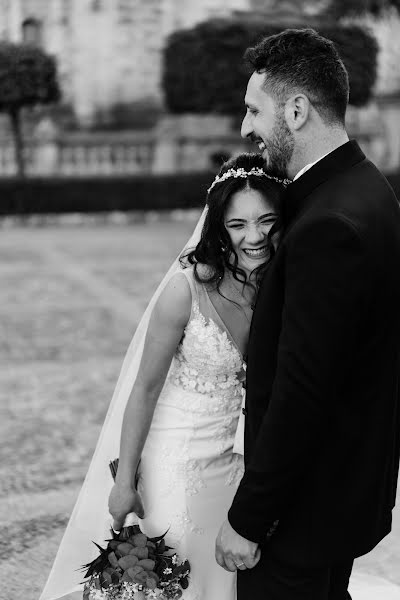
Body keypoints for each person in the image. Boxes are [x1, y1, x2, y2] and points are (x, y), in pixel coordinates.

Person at [38, 152, 288, 600]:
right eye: (237, 225)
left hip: (234, 473)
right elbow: (144, 388)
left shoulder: (279, 287)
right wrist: (123, 480)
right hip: (172, 470)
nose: (255, 237)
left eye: (266, 220)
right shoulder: (185, 291)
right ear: (219, 228)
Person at [215, 28, 400, 600]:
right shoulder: (367, 188)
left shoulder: (327, 225)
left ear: (295, 110)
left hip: (300, 516)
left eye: (254, 109)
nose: (246, 127)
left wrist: (250, 519)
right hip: (341, 499)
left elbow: (303, 390)